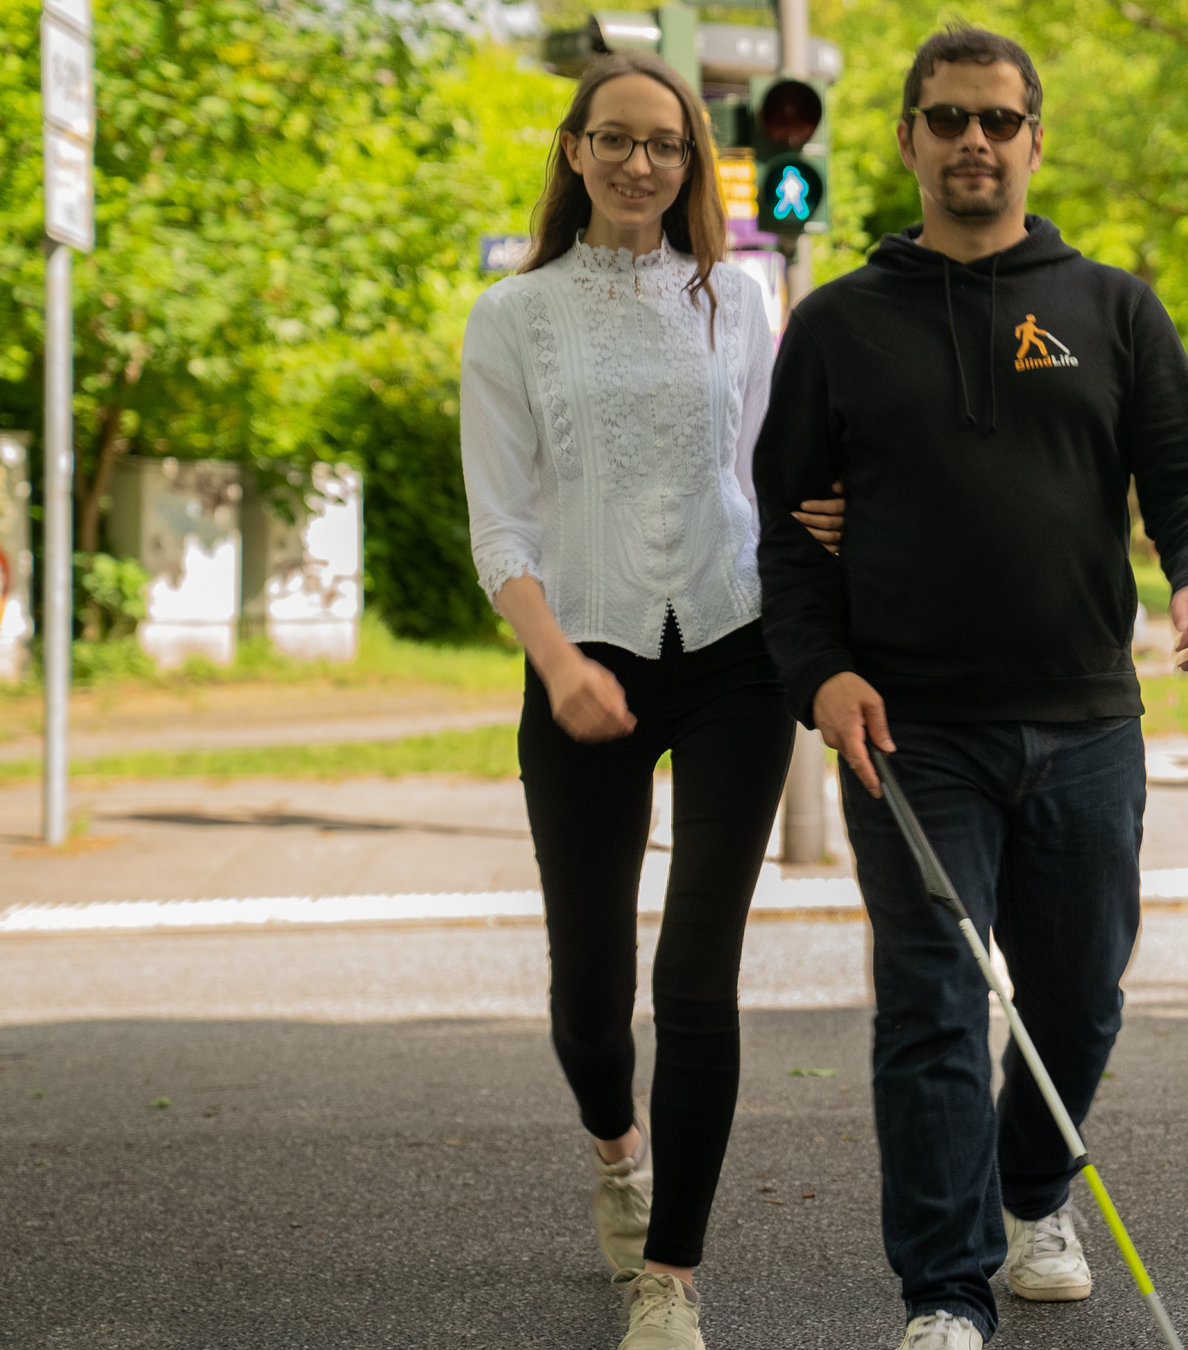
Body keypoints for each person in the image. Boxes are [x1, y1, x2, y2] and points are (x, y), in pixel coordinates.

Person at [751, 25, 1188, 1350]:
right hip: (910, 730)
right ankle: (945, 1290)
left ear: (1035, 140)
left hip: (1086, 719)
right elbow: (788, 534)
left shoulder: (1114, 309)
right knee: (930, 1005)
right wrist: (821, 673)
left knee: (1078, 998)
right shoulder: (837, 324)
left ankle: (1034, 1193)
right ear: (907, 139)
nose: (974, 140)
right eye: (948, 118)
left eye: (998, 120)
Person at [458, 50, 834, 1350]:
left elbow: (768, 479)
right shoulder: (512, 316)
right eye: (614, 139)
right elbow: (501, 524)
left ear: (693, 164)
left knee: (696, 972)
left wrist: (822, 524)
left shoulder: (741, 300)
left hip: (736, 652)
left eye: (665, 144)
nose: (639, 163)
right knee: (589, 992)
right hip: (584, 655)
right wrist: (558, 663)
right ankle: (617, 1145)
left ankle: (670, 1273)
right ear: (575, 151)